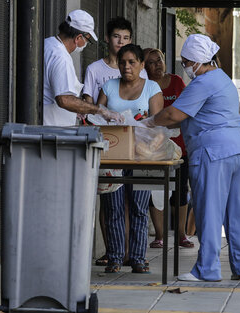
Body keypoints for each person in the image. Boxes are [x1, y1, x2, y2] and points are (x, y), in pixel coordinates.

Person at [142, 34, 240, 282]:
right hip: (239, 151)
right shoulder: (223, 79)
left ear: (197, 61)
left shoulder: (202, 82)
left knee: (209, 211)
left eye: (186, 62)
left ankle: (208, 269)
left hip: (214, 153)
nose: (185, 67)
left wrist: (149, 122)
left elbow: (173, 114)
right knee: (237, 212)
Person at [82, 17, 147, 267]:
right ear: (107, 39)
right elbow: (89, 106)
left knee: (136, 204)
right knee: (111, 202)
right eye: (117, 37)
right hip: (109, 144)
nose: (121, 42)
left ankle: (134, 254)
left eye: (126, 38)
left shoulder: (144, 80)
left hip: (138, 147)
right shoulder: (98, 73)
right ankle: (114, 253)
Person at [97, 44, 163, 273]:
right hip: (113, 156)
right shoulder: (108, 87)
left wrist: (149, 149)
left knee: (138, 207)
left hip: (140, 158)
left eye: (132, 62)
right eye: (122, 62)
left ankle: (137, 258)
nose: (126, 66)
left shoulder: (152, 88)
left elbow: (159, 126)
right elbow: (96, 119)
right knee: (113, 207)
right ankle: (115, 257)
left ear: (141, 65)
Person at [143, 48, 194, 249]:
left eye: (160, 60)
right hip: (151, 147)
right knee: (155, 190)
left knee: (180, 192)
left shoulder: (176, 82)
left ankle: (181, 234)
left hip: (179, 148)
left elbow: (184, 111)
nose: (158, 65)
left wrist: (168, 123)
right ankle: (160, 235)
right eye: (152, 62)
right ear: (144, 67)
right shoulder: (145, 86)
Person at [43, 9, 120, 126]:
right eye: (87, 40)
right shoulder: (61, 58)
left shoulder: (47, 44)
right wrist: (101, 111)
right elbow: (64, 100)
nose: (86, 44)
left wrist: (78, 107)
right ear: (78, 38)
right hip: (51, 130)